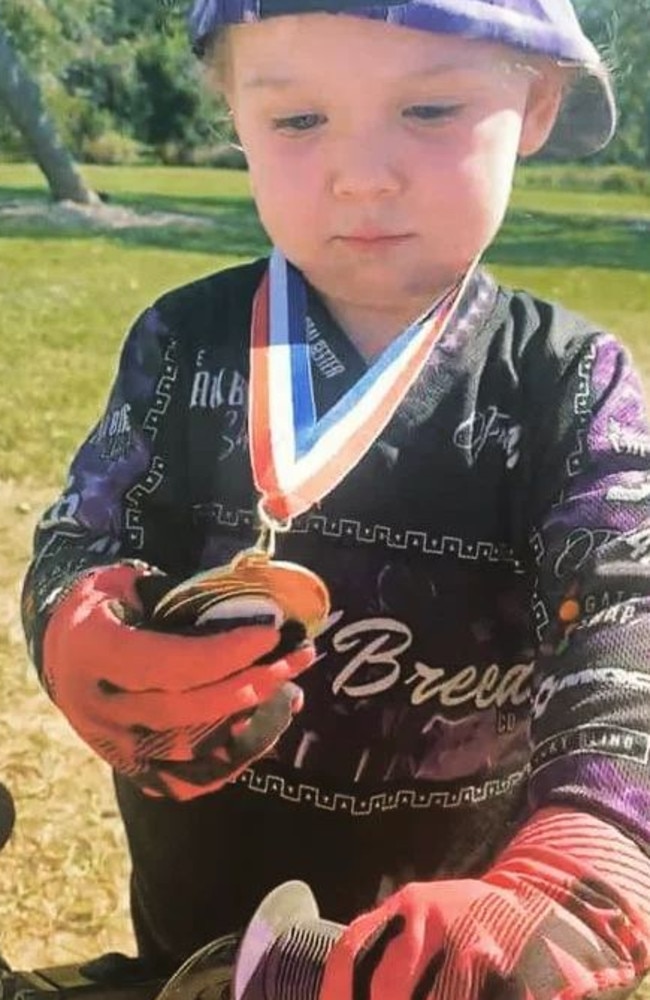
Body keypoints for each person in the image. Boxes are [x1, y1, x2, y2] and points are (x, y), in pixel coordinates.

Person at [21, 1, 650, 997]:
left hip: (460, 941)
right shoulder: (183, 343)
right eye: (298, 121)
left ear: (535, 106)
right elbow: (86, 531)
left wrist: (592, 843)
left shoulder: (570, 383)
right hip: (194, 909)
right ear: (231, 109)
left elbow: (626, 605)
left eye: (430, 109)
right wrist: (74, 623)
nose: (360, 175)